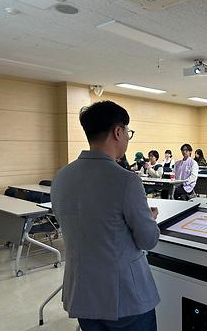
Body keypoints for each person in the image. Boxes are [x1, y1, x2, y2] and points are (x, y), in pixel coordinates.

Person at [51, 100, 160, 331]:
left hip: (82, 293)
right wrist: (149, 219)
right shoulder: (125, 181)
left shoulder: (61, 177)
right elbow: (147, 240)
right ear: (118, 132)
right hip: (124, 298)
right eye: (128, 132)